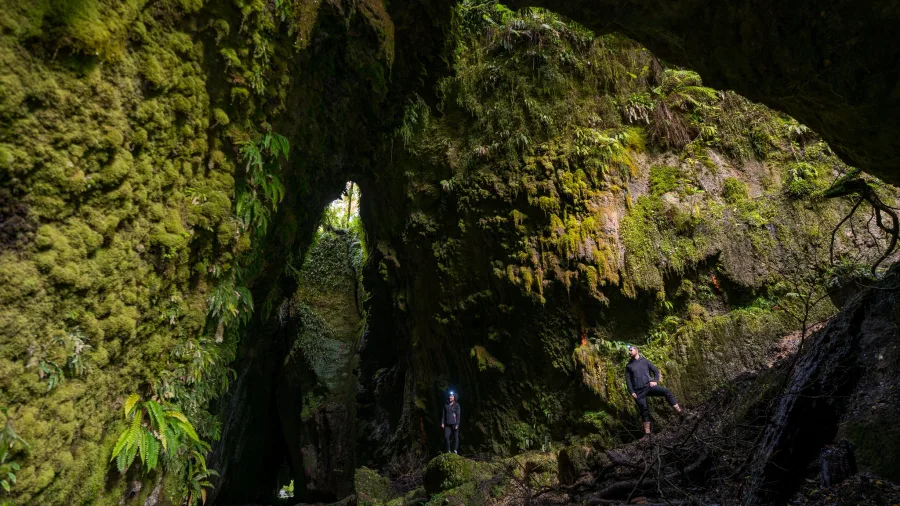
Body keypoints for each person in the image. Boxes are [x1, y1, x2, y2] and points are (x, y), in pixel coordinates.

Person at [625, 345, 682, 440]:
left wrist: (655, 381)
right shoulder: (629, 366)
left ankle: (680, 413)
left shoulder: (645, 361)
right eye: (629, 350)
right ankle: (647, 435)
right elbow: (628, 381)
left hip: (649, 386)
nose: (629, 352)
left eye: (631, 350)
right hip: (638, 392)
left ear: (637, 350)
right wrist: (631, 391)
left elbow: (656, 371)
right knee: (644, 410)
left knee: (666, 391)